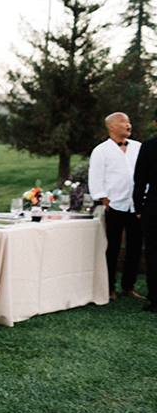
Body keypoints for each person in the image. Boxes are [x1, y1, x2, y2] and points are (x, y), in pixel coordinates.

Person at [89, 112, 143, 301]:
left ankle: (128, 287)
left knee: (135, 247)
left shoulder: (138, 147)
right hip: (114, 206)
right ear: (112, 127)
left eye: (129, 121)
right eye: (123, 122)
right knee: (112, 248)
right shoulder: (101, 151)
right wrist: (105, 200)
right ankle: (109, 287)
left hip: (136, 206)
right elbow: (95, 178)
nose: (128, 125)